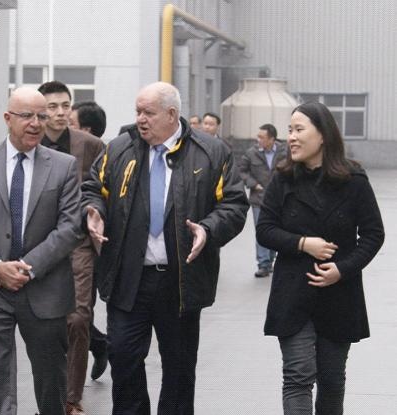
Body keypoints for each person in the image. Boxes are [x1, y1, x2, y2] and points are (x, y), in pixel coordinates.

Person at [82, 81, 249, 414]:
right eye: (138, 112)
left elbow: (234, 205)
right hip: (128, 278)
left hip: (180, 281)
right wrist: (94, 211)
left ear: (172, 114)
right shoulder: (119, 149)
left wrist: (207, 229)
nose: (140, 119)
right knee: (123, 357)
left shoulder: (211, 152)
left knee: (179, 367)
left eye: (148, 113)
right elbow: (92, 188)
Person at [0, 86, 82, 415]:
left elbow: (70, 227)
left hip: (45, 288)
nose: (36, 123)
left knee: (51, 379)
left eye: (41, 116)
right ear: (7, 118)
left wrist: (26, 266)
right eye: (27, 116)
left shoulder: (64, 166)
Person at [256, 101, 385, 414]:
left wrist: (342, 269)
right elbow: (265, 230)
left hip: (339, 294)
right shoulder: (283, 178)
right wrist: (302, 243)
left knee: (331, 379)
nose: (291, 137)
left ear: (323, 135)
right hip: (293, 293)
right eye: (289, 130)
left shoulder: (353, 180)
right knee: (297, 376)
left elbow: (373, 234)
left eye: (299, 130)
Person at [38, 81, 104, 415]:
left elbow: (101, 189)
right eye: (52, 107)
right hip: (38, 245)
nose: (61, 113)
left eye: (66, 105)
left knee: (78, 318)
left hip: (79, 243)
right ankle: (50, 397)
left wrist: (95, 212)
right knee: (46, 325)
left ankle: (71, 399)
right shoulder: (29, 141)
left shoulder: (90, 146)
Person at [67, 100, 110, 382]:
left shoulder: (98, 155)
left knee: (78, 312)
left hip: (84, 242)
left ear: (86, 131)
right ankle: (99, 342)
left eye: (70, 122)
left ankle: (70, 394)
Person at [240, 123, 286, 278]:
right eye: (258, 136)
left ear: (272, 139)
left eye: (262, 137)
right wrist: (253, 184)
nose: (258, 140)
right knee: (262, 230)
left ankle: (271, 259)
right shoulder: (251, 153)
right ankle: (263, 264)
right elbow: (242, 171)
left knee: (276, 230)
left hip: (280, 200)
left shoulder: (284, 152)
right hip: (258, 199)